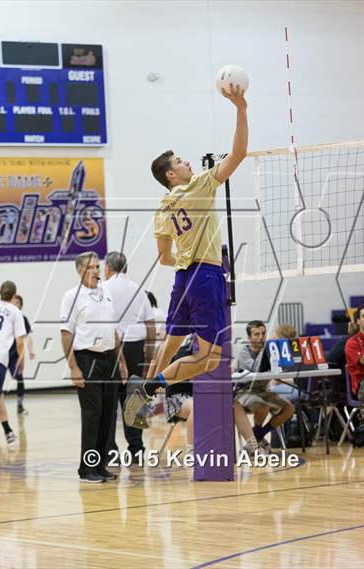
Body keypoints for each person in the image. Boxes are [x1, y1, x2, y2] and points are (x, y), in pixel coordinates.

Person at [124, 83, 248, 427]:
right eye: (180, 160)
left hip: (182, 277)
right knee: (209, 360)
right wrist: (241, 110)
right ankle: (153, 386)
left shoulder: (162, 206)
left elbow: (164, 257)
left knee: (170, 343)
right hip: (206, 276)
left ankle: (144, 395)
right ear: (170, 174)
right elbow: (238, 155)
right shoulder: (198, 187)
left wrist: (187, 253)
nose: (187, 161)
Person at [60, 251, 124, 483]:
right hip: (87, 360)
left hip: (110, 360)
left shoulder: (106, 293)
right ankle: (86, 470)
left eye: (98, 267)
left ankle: (100, 465)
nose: (96, 271)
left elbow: (113, 330)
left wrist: (122, 362)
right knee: (92, 415)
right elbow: (66, 334)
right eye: (91, 268)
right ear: (80, 271)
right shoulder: (71, 296)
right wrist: (74, 367)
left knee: (108, 415)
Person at [102, 251, 156, 461]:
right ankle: (136, 449)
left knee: (109, 400)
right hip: (136, 347)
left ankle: (110, 451)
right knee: (135, 399)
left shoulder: (102, 288)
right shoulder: (138, 289)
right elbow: (150, 327)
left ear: (108, 268)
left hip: (110, 347)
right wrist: (149, 357)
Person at [234, 320, 295, 447]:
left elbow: (284, 368)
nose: (261, 337)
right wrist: (266, 349)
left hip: (263, 391)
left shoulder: (270, 350)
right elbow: (256, 369)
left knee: (289, 408)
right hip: (244, 392)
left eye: (263, 333)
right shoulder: (244, 353)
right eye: (256, 334)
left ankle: (258, 435)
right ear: (249, 337)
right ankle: (256, 440)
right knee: (263, 405)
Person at [0, 281, 26, 444]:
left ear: (0, 292)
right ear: (14, 295)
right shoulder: (15, 311)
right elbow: (19, 342)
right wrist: (21, 360)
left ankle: (7, 430)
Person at [9, 294, 35, 415]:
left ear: (21, 305)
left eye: (18, 302)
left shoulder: (22, 318)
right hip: (2, 354)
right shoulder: (6, 316)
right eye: (13, 302)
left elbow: (28, 337)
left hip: (15, 355)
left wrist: (30, 351)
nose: (15, 304)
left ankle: (20, 405)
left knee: (20, 379)